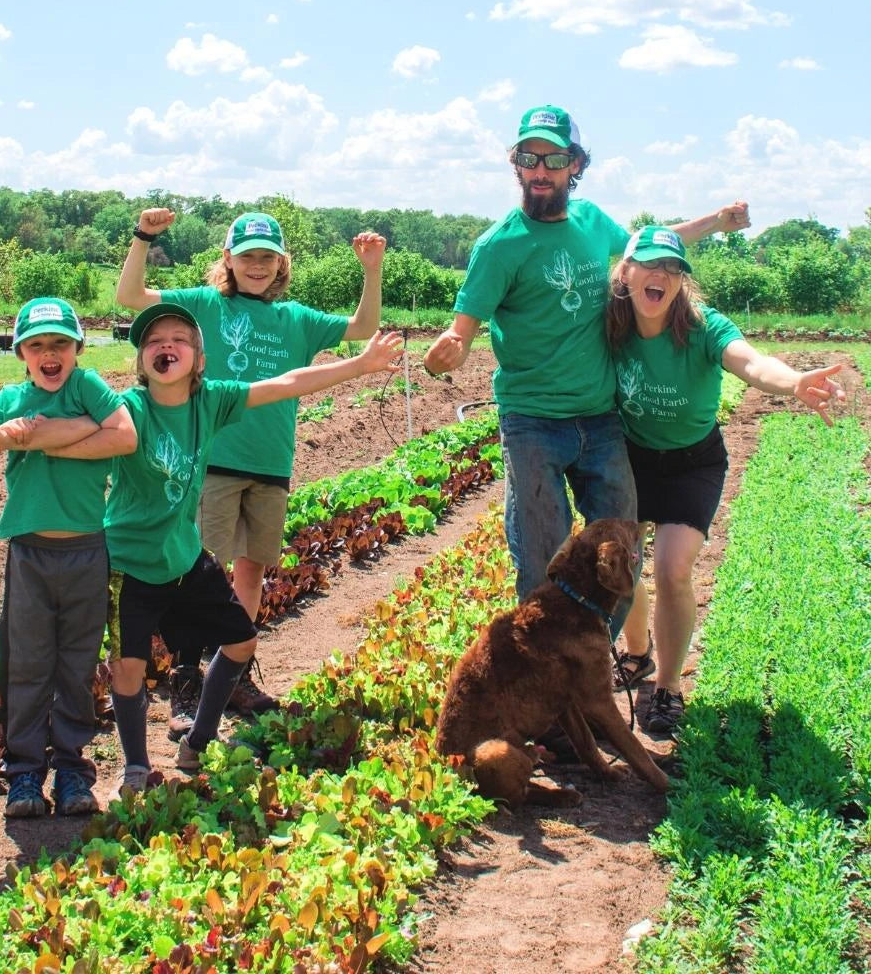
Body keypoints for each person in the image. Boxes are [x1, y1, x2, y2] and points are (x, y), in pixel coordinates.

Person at [423, 103, 751, 623]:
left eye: (554, 159)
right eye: (529, 157)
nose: (540, 170)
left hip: (600, 418)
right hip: (532, 421)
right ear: (516, 164)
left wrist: (716, 221)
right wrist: (449, 350)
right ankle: (544, 668)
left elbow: (651, 250)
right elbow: (460, 332)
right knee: (541, 552)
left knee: (620, 549)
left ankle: (596, 654)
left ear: (575, 165)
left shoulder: (593, 222)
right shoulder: (498, 246)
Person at [106, 302, 402, 792]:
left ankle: (197, 742)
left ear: (200, 359)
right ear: (140, 362)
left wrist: (358, 366)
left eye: (179, 339)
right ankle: (135, 766)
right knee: (128, 667)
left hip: (182, 557)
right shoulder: (127, 409)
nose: (166, 347)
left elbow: (285, 385)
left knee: (242, 639)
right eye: (154, 342)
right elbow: (76, 430)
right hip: (130, 562)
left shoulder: (212, 401)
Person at [116, 209, 387, 732]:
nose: (257, 266)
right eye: (247, 257)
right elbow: (131, 297)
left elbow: (363, 328)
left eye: (267, 257)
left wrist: (371, 270)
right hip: (211, 460)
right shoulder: (202, 306)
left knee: (252, 571)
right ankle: (187, 680)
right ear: (228, 261)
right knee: (198, 573)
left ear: (280, 263)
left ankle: (232, 674)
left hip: (270, 464)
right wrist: (144, 238)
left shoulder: (295, 319)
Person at [606, 226, 845, 734]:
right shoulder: (610, 321)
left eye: (672, 269)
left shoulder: (704, 326)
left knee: (671, 567)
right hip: (631, 457)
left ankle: (668, 688)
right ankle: (638, 653)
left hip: (693, 463)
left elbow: (752, 362)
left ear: (681, 282)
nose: (661, 276)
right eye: (649, 264)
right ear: (625, 272)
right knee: (622, 566)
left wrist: (794, 383)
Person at [0, 297, 137, 818]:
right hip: (30, 554)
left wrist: (40, 437)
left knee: (76, 666)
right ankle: (25, 773)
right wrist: (5, 435)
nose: (49, 354)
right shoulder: (10, 398)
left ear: (77, 348)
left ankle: (73, 770)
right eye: (36, 345)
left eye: (59, 343)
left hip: (85, 550)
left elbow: (124, 435)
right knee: (26, 665)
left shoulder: (88, 387)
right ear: (21, 353)